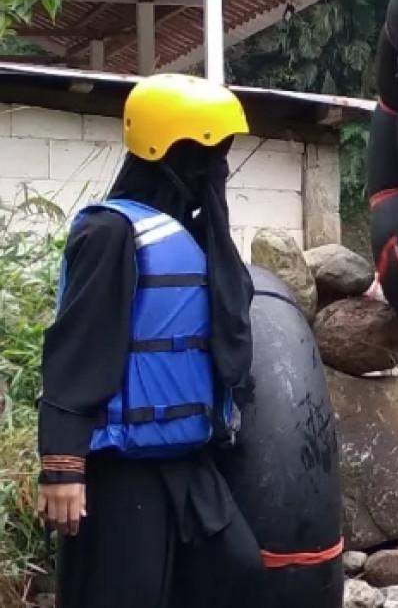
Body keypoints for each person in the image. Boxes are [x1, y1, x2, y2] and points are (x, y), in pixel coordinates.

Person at [37, 73, 260, 608]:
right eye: (207, 153)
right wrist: (62, 464)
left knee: (238, 568)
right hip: (121, 469)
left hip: (186, 460)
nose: (217, 168)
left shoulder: (196, 234)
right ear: (168, 152)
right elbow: (78, 348)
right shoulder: (111, 233)